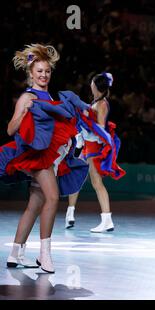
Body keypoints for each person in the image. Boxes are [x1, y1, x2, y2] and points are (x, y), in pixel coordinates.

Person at [1, 44, 87, 273]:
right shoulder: (27, 96)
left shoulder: (48, 95)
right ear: (31, 73)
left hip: (50, 157)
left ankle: (15, 253)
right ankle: (44, 255)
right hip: (37, 158)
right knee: (52, 197)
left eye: (47, 71)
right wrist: (24, 111)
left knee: (34, 205)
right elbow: (11, 129)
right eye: (39, 71)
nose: (44, 75)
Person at [64, 72, 126, 232]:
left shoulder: (102, 104)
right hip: (86, 145)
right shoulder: (96, 102)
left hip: (93, 147)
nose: (90, 85)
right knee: (76, 177)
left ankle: (107, 220)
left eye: (92, 83)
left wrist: (84, 119)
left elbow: (99, 127)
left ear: (96, 86)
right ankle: (69, 214)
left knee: (96, 182)